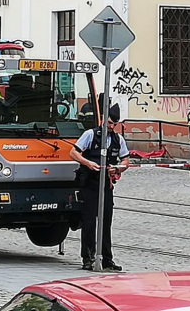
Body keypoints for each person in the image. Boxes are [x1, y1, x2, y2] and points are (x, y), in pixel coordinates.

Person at [69, 105, 130, 272]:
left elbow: (126, 161)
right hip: (89, 184)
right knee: (89, 222)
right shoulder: (90, 135)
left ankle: (107, 259)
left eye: (114, 124)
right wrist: (88, 163)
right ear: (103, 120)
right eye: (109, 123)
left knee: (106, 222)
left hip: (106, 185)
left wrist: (117, 168)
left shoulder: (118, 139)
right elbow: (73, 153)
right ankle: (88, 258)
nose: (111, 127)